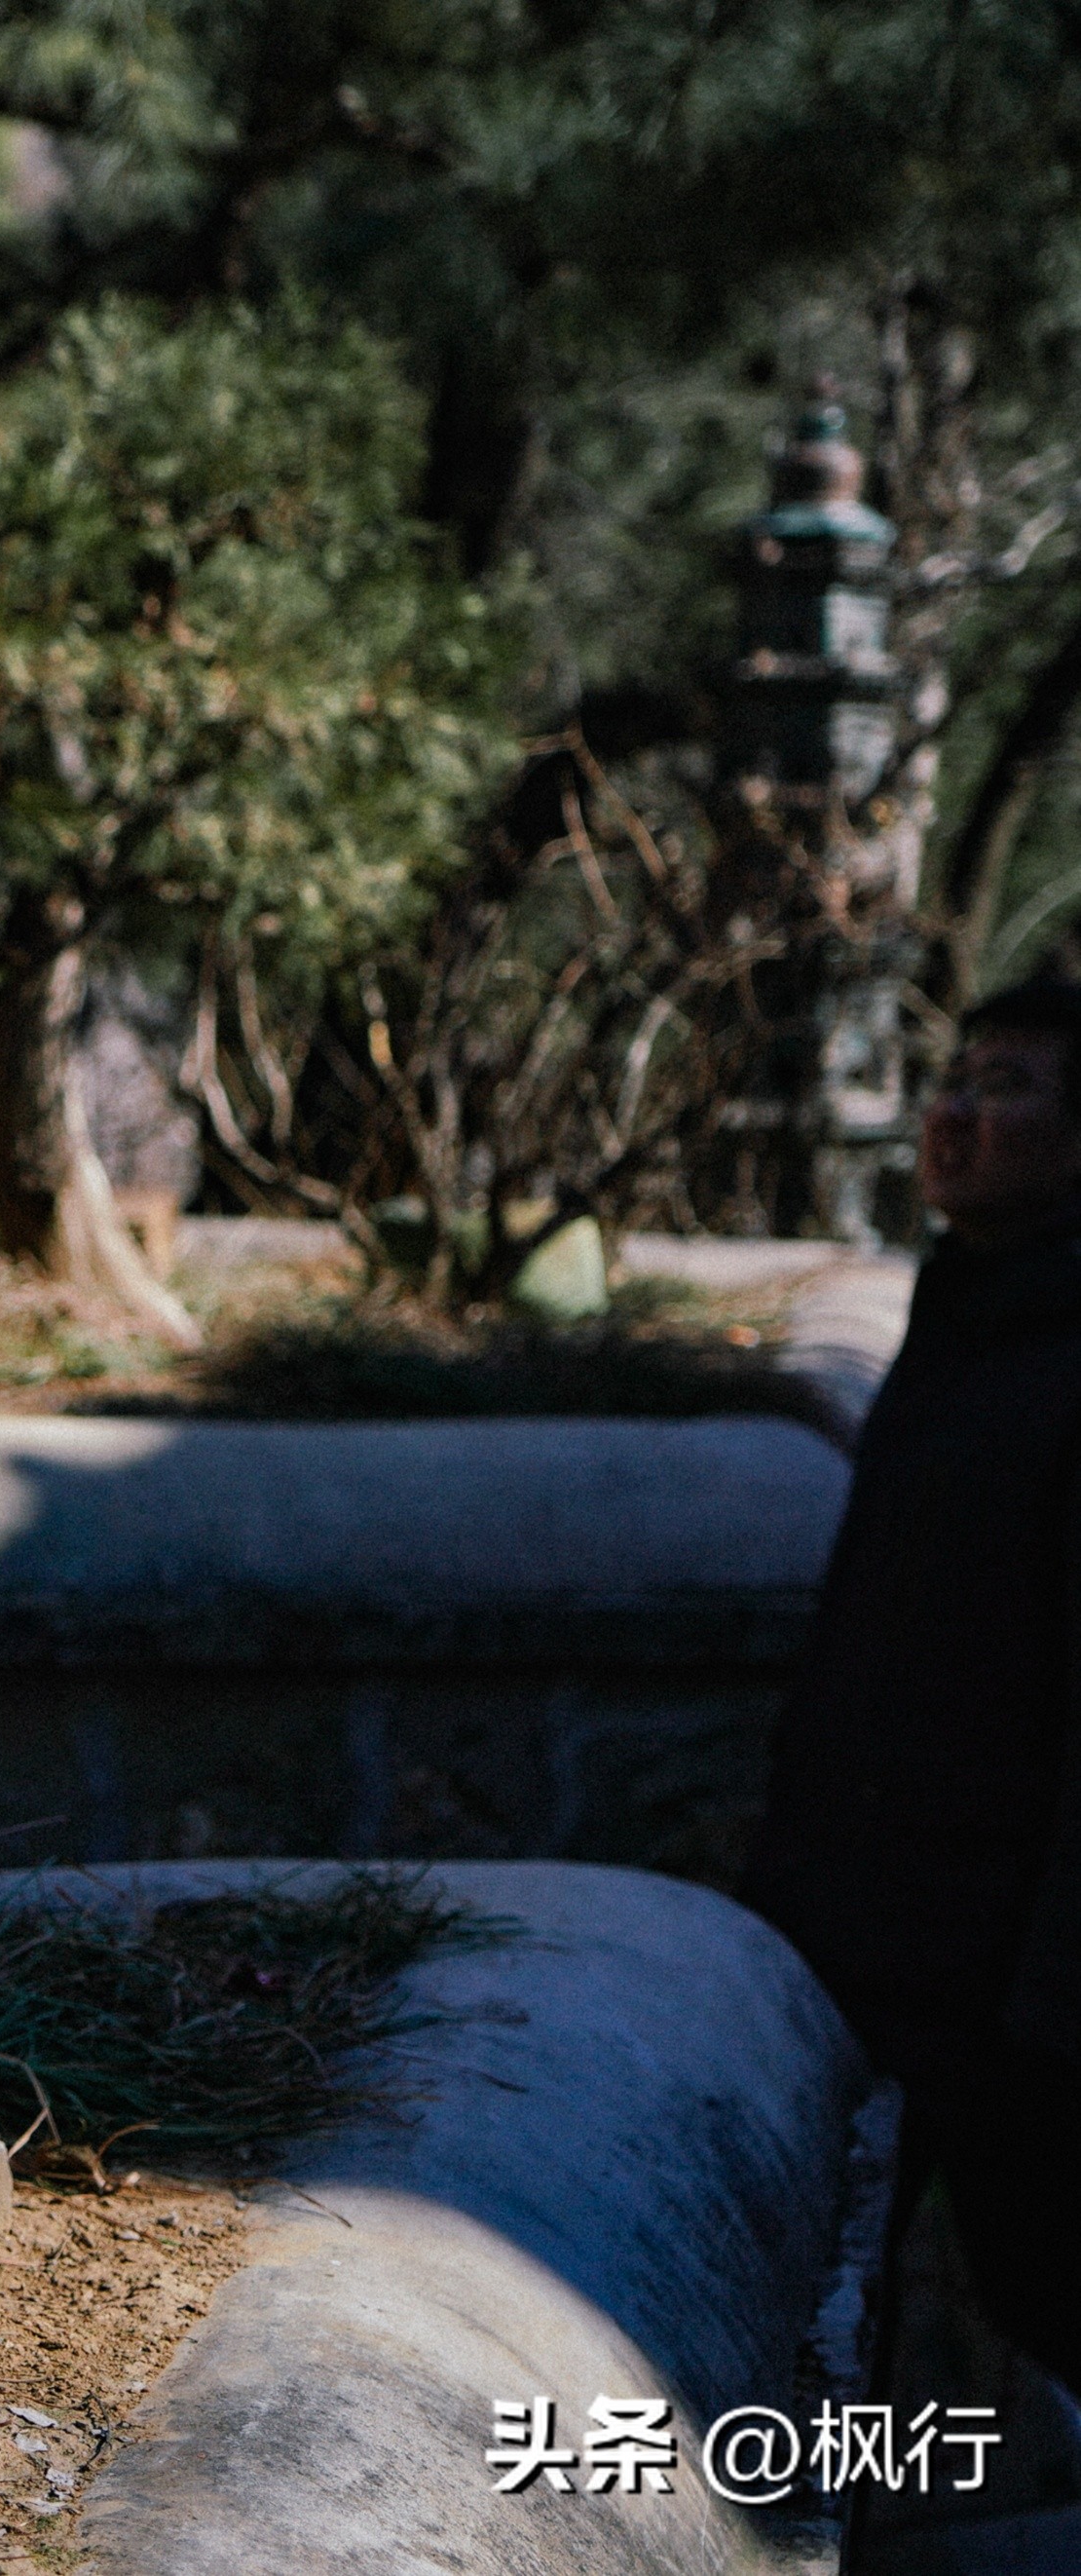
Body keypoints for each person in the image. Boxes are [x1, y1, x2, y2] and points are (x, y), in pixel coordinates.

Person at [748, 977, 1081, 2385]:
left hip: (1004, 1968)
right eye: (955, 1078)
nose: (955, 1113)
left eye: (1006, 1085)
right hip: (873, 1921)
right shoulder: (969, 1313)